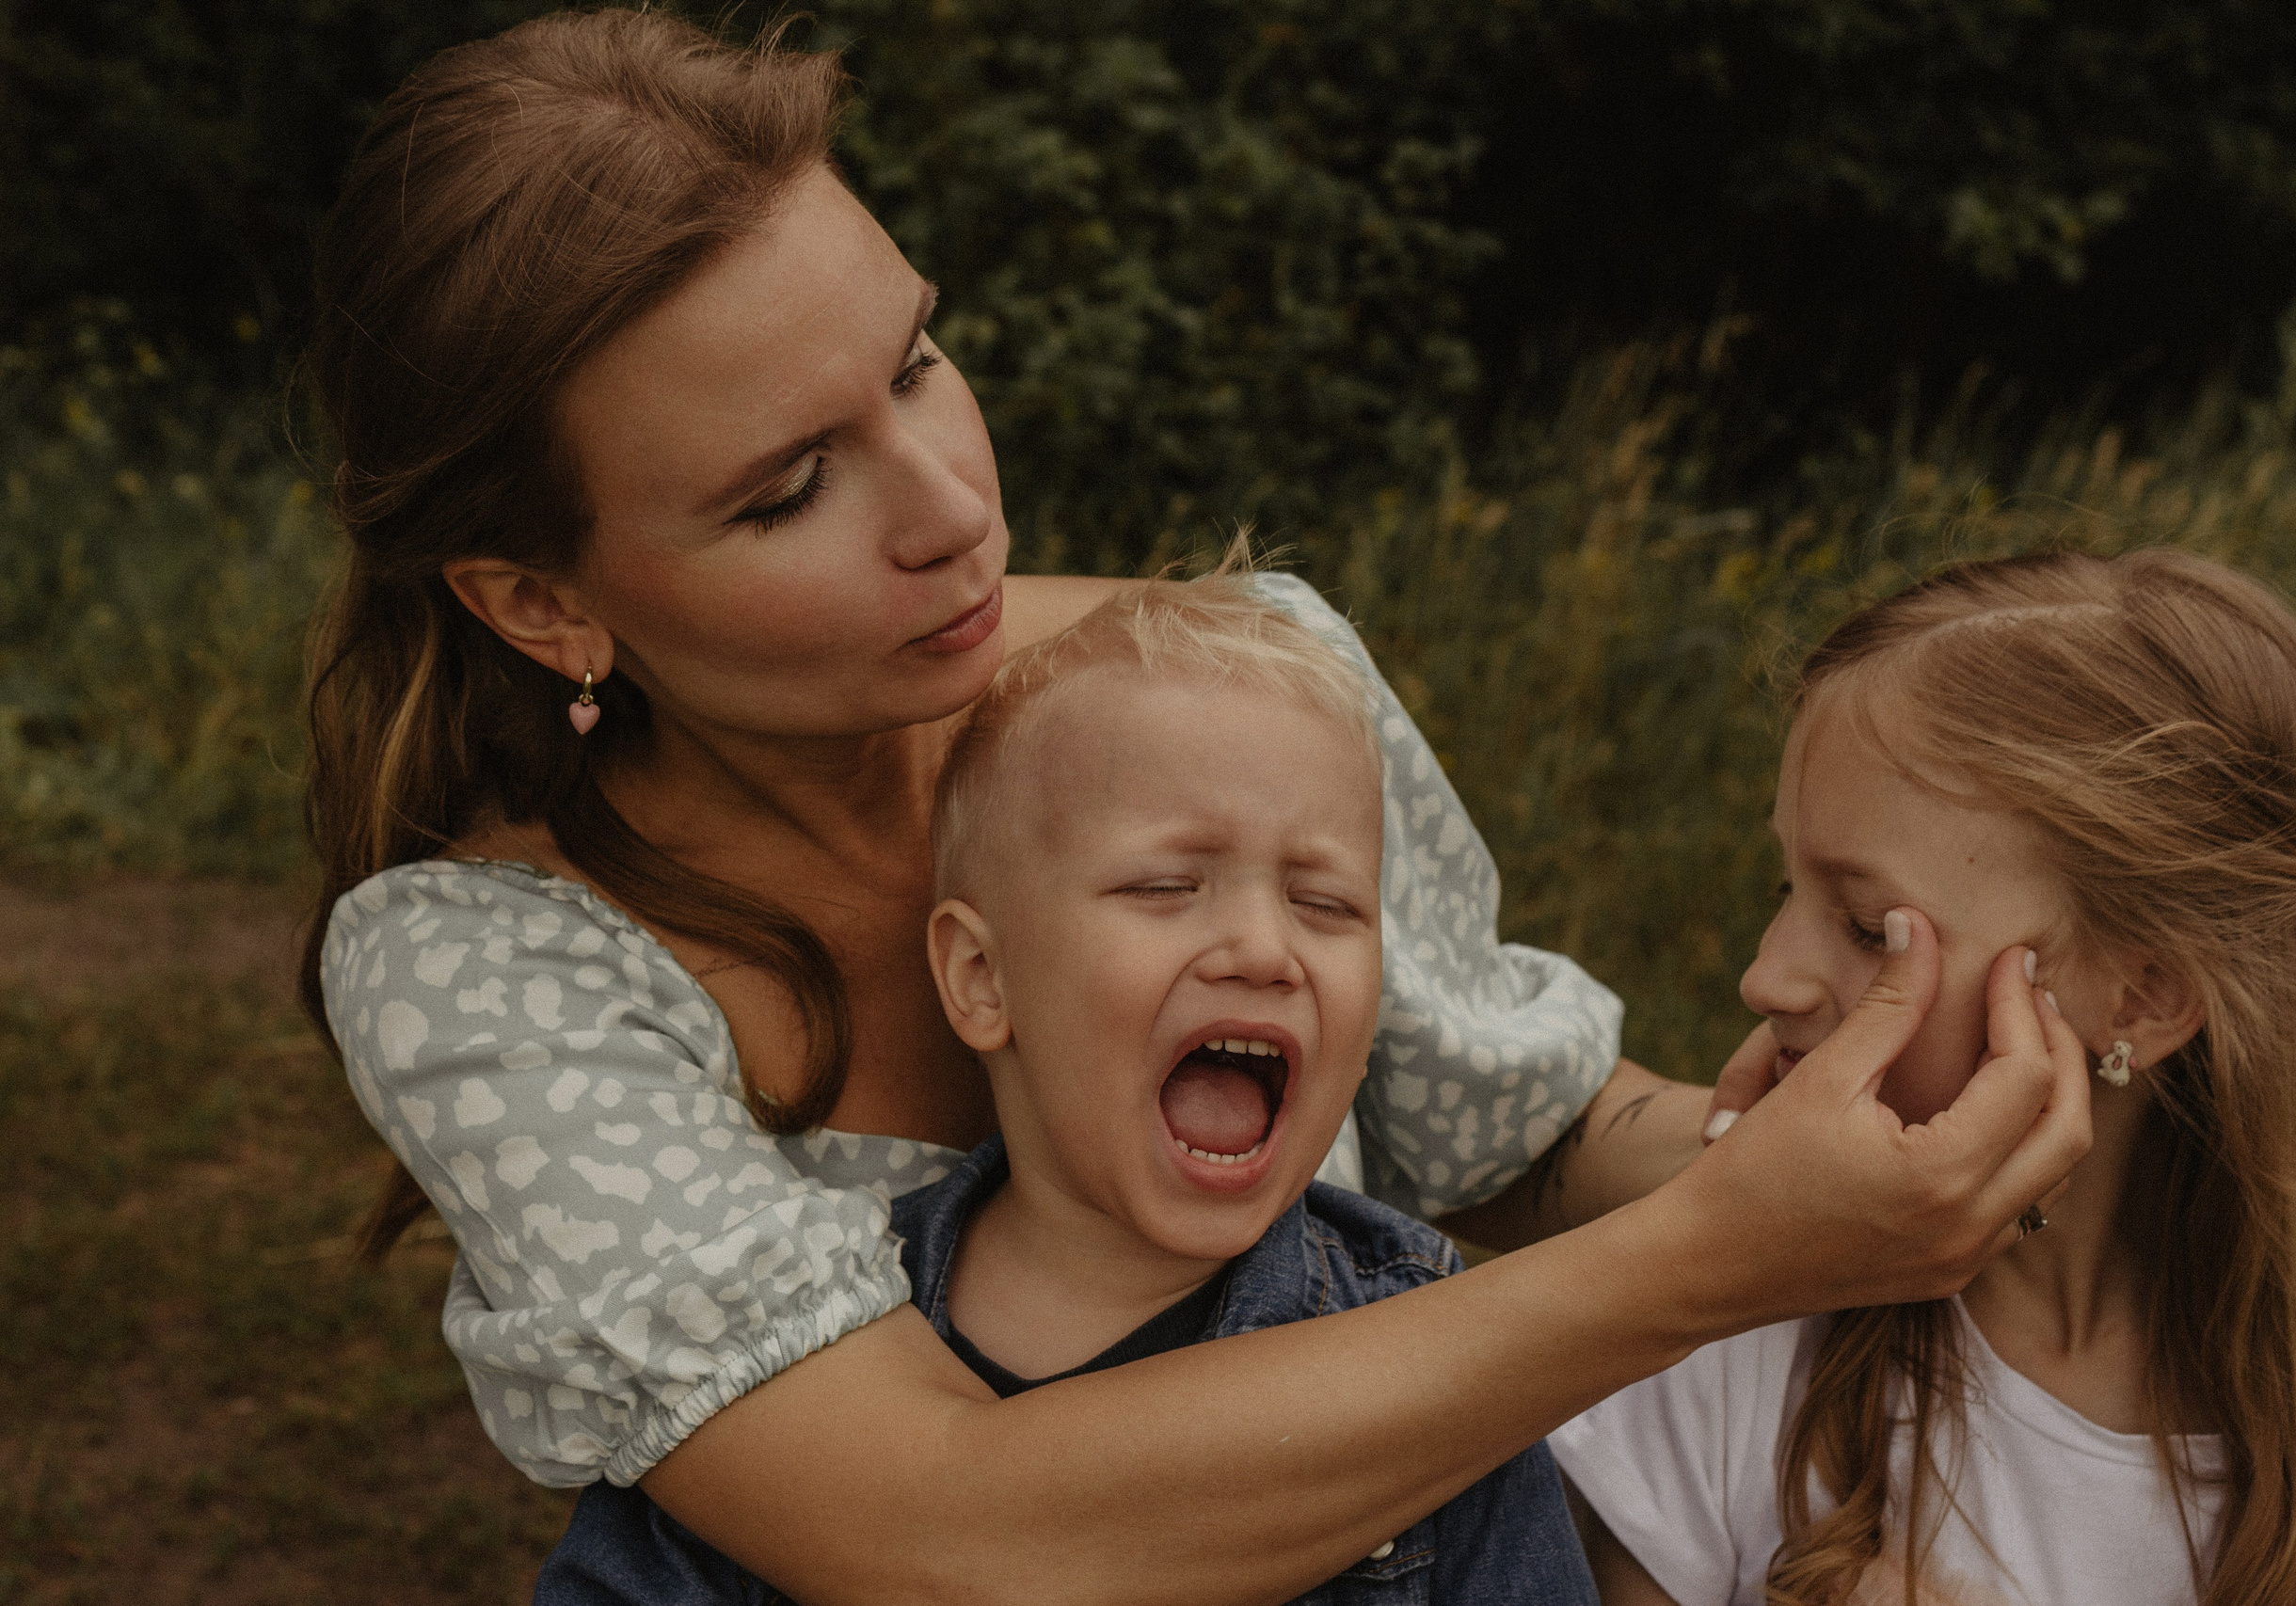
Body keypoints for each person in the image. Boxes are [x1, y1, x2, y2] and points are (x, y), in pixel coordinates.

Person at [303, 10, 2088, 1600]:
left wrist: (1807, 1158)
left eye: (918, 361)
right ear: (543, 601)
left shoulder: (1239, 679)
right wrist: (1722, 1252)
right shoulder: (493, 970)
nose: (950, 508)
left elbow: (1520, 1136)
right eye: (790, 488)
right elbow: (942, 1529)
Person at [537, 568, 1602, 1603]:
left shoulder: (1430, 1356)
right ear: (982, 977)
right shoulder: (810, 1367)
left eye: (1326, 905)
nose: (1263, 948)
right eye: (1166, 885)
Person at [1552, 549, 2296, 1606]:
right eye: (1787, 885)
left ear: (2140, 999)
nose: (1764, 973)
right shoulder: (1729, 1348)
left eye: (1869, 926)